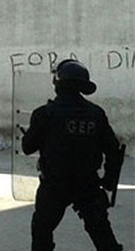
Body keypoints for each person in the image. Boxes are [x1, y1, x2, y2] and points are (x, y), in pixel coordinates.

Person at [21, 59, 123, 251]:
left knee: (42, 231)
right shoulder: (95, 113)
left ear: (57, 83)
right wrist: (108, 180)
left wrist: (32, 134)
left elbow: (27, 148)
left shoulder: (44, 113)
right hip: (88, 184)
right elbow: (113, 150)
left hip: (54, 185)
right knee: (102, 233)